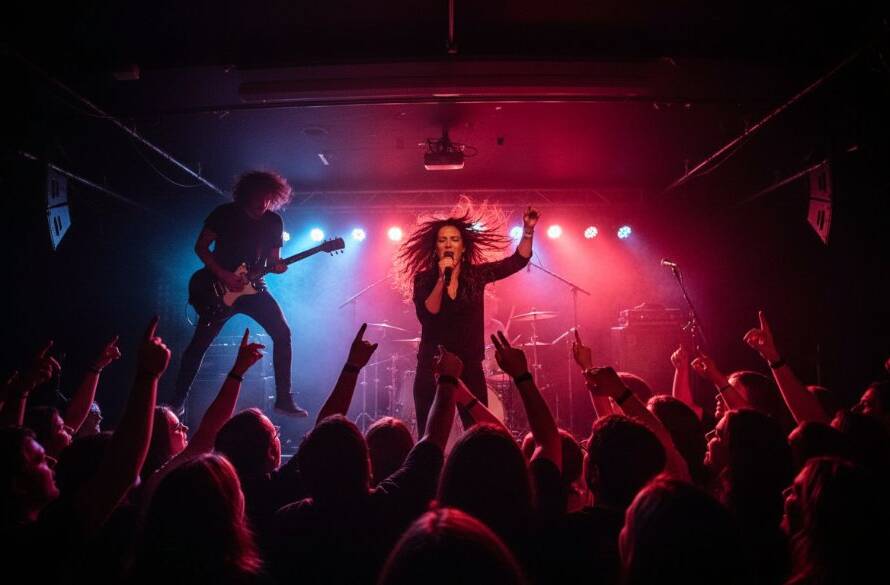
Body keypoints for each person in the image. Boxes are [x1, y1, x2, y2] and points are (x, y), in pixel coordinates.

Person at [171, 170, 308, 417]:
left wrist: (278, 267)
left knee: (283, 333)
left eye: (268, 199)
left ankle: (284, 398)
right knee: (198, 345)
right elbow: (201, 247)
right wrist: (223, 274)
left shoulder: (274, 221)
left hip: (254, 288)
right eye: (259, 198)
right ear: (246, 195)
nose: (263, 204)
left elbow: (273, 260)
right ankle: (177, 401)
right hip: (220, 286)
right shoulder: (224, 214)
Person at [396, 201, 538, 435]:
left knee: (477, 431)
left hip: (469, 365)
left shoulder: (476, 275)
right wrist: (442, 279)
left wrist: (528, 230)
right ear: (435, 249)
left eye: (454, 239)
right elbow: (428, 313)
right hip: (432, 365)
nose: (448, 244)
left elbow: (517, 261)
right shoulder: (424, 279)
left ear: (463, 247)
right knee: (427, 432)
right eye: (442, 240)